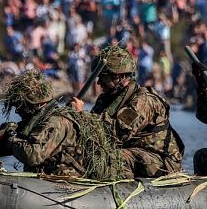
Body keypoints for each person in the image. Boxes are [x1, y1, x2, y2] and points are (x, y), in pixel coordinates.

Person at [70, 44, 184, 177]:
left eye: (103, 76)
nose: (99, 82)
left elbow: (113, 134)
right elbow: (92, 134)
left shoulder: (143, 102)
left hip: (160, 162)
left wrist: (80, 115)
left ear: (120, 76)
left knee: (109, 159)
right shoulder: (105, 99)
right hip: (132, 152)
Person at [0, 70, 124, 180]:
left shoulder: (57, 121)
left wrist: (11, 138)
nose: (17, 111)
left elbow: (33, 155)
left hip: (63, 183)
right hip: (46, 181)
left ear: (39, 104)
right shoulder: (38, 120)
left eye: (21, 105)